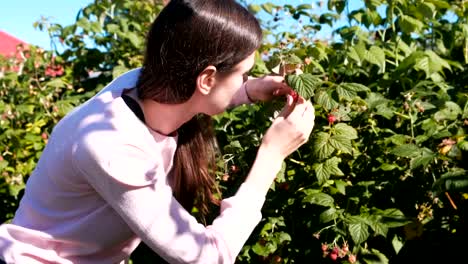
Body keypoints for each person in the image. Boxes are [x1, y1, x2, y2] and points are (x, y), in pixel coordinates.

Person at [0, 0, 315, 263]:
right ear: (207, 78)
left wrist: (250, 89)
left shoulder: (141, 84)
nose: (248, 77)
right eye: (244, 72)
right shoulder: (113, 147)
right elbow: (207, 257)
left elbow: (194, 95)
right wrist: (271, 157)